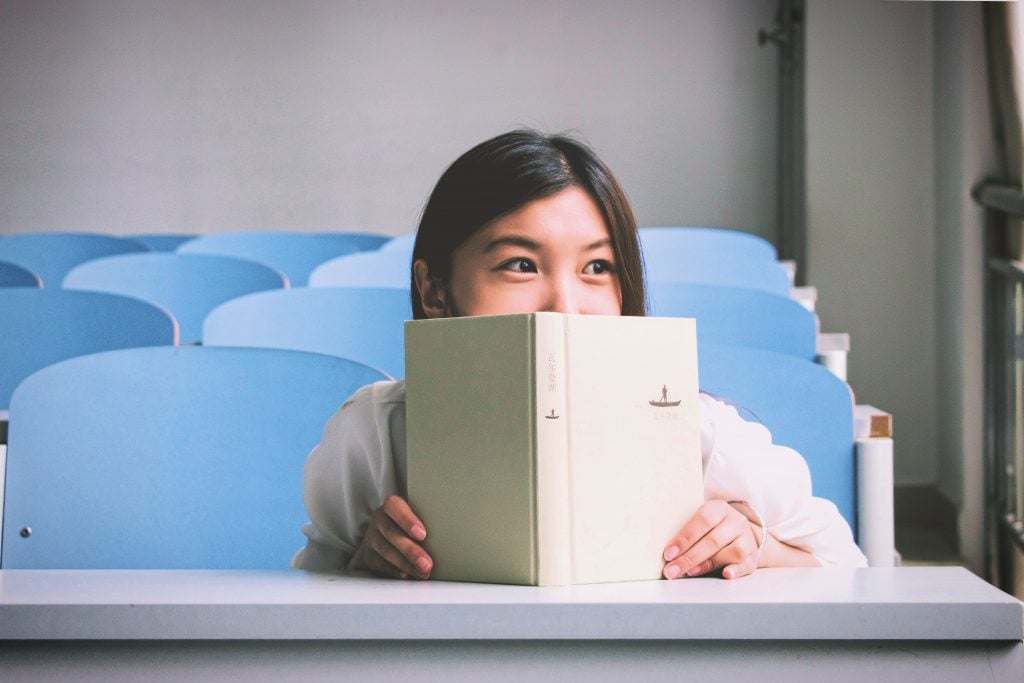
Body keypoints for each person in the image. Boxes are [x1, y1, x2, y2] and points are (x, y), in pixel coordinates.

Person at [293, 129, 868, 580]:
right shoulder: (376, 435)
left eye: (597, 267)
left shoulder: (697, 434)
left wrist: (757, 546)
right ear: (435, 291)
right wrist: (360, 566)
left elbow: (847, 566)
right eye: (520, 264)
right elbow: (310, 588)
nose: (566, 306)